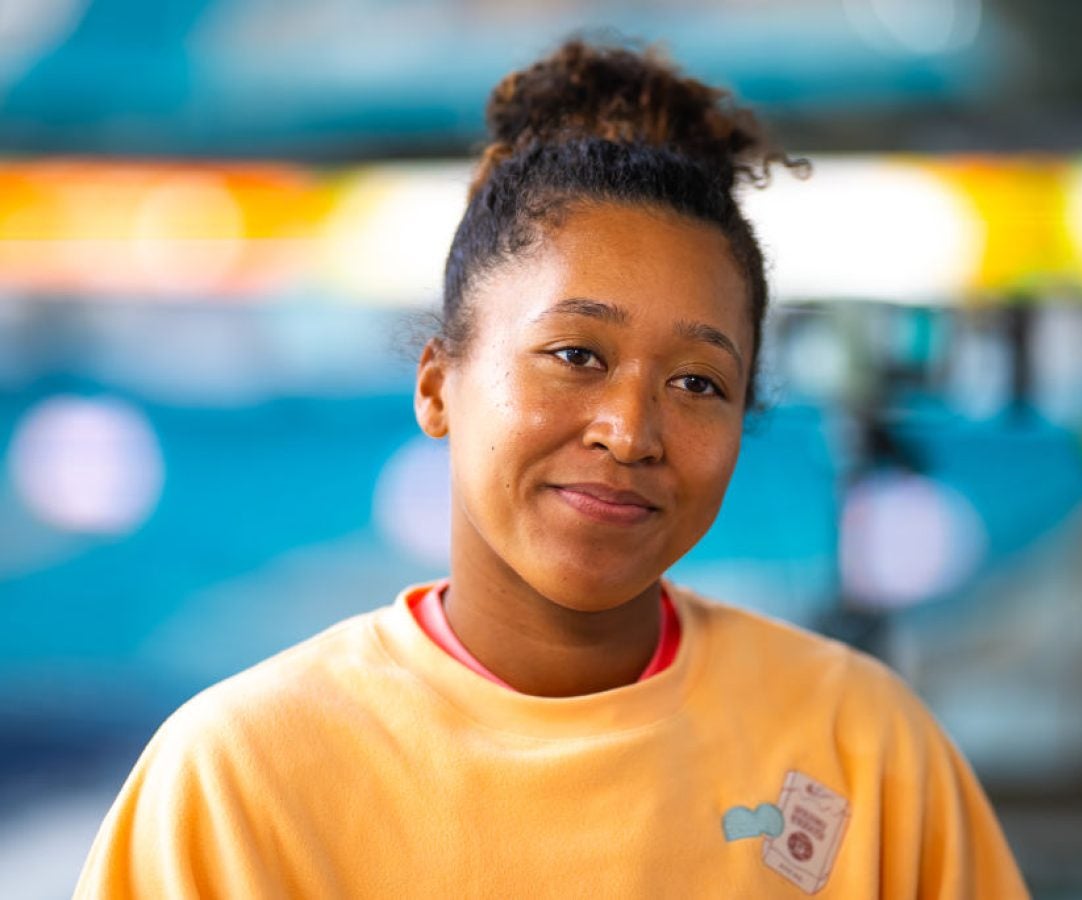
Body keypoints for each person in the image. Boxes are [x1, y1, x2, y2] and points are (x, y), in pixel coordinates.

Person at [75, 39, 1028, 898]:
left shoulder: (859, 745)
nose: (630, 431)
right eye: (576, 355)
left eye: (699, 382)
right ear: (439, 384)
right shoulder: (238, 778)